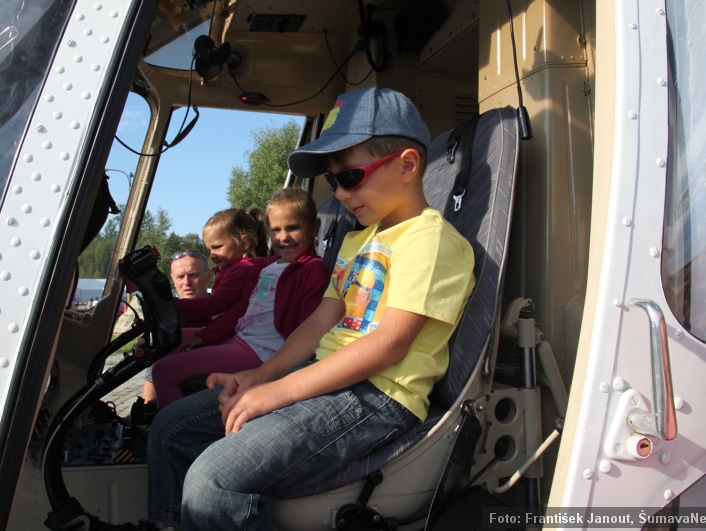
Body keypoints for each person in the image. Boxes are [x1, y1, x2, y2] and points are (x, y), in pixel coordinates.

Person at [147, 86, 476, 530]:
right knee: (170, 428)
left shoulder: (430, 240)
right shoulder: (360, 240)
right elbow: (320, 320)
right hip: (327, 377)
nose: (340, 194)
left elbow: (390, 343)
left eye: (350, 177)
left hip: (379, 397)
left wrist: (280, 391)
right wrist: (262, 376)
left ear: (406, 165)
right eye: (333, 181)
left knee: (212, 482)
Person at [150, 188, 329, 407]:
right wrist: (204, 336)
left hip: (262, 353)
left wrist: (281, 372)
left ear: (315, 227)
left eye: (293, 227)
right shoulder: (265, 266)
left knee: (163, 371)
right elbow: (239, 312)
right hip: (240, 340)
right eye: (276, 230)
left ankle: (173, 423)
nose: (284, 237)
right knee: (166, 342)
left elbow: (308, 327)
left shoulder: (313, 270)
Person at [139, 250, 212, 404]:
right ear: (172, 280)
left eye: (193, 275)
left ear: (208, 276)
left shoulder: (223, 312)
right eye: (180, 277)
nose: (187, 283)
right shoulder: (165, 316)